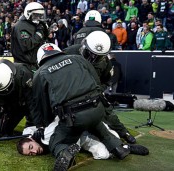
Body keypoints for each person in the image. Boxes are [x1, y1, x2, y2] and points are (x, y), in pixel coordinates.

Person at [31, 41, 130, 170]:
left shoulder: (40, 73)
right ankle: (117, 147)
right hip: (96, 108)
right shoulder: (78, 59)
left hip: (74, 117)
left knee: (56, 140)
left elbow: (41, 103)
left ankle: (63, 153)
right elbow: (96, 83)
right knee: (97, 125)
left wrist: (43, 124)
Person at [64, 31, 136, 144]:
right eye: (90, 54)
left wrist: (98, 91)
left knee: (108, 111)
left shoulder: (105, 62)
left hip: (92, 91)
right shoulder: (69, 52)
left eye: (98, 57)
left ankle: (123, 132)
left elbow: (107, 80)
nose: (93, 58)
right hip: (70, 92)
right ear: (84, 45)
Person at [17, 116, 149, 158]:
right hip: (81, 140)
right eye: (30, 154)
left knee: (111, 137)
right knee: (103, 154)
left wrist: (32, 133)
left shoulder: (41, 135)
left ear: (32, 140)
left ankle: (119, 143)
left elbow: (27, 129)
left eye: (31, 147)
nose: (34, 152)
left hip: (78, 124)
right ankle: (128, 147)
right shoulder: (44, 146)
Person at [0, 59, 35, 146]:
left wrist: (39, 125)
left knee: (37, 130)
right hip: (10, 106)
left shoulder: (24, 73)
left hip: (25, 100)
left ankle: (31, 124)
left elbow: (33, 101)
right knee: (2, 133)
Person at [10, 2, 48, 70]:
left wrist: (45, 29)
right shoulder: (21, 26)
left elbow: (43, 40)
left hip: (33, 63)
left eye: (40, 15)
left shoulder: (34, 25)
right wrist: (39, 34)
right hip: (23, 65)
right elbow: (26, 45)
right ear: (28, 14)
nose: (38, 18)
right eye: (36, 15)